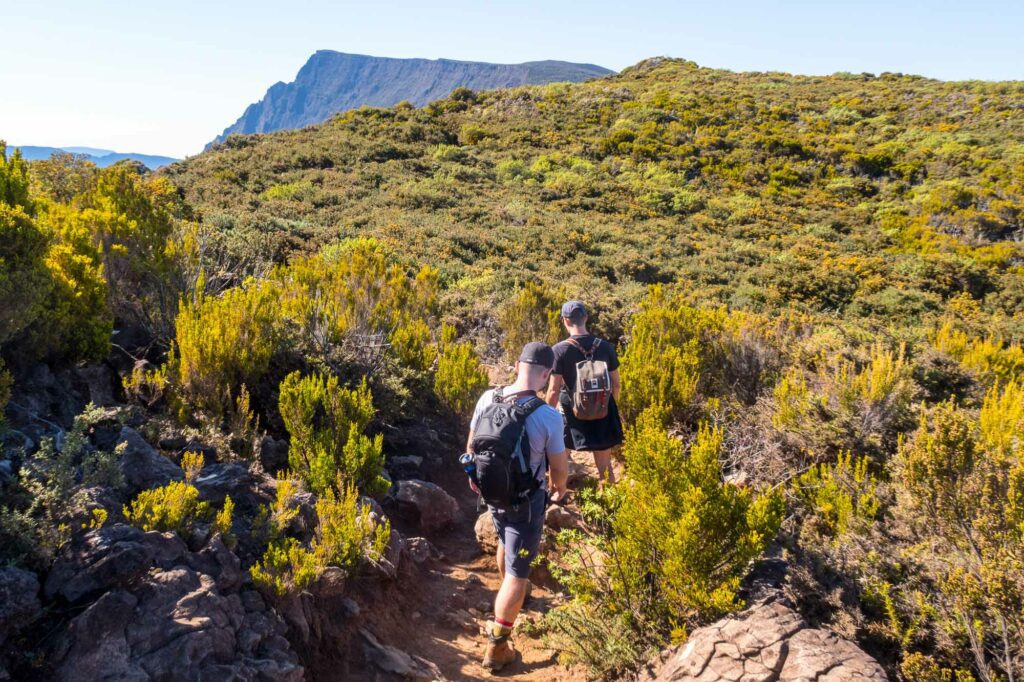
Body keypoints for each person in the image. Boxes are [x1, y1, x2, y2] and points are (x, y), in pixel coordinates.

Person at [465, 342, 569, 672]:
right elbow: (559, 468)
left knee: (502, 540)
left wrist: (477, 478)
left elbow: (471, 447)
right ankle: (498, 646)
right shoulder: (549, 416)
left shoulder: (487, 398)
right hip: (526, 501)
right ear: (547, 374)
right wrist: (558, 491)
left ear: (515, 364)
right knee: (518, 569)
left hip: (492, 494)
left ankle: (509, 598)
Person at [546, 301, 624, 486]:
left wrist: (548, 417)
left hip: (571, 411)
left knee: (559, 459)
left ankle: (556, 496)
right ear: (586, 318)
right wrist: (606, 405)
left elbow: (553, 390)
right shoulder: (605, 347)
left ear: (565, 321)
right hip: (602, 408)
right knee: (605, 464)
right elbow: (617, 384)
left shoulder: (559, 350)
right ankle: (610, 501)